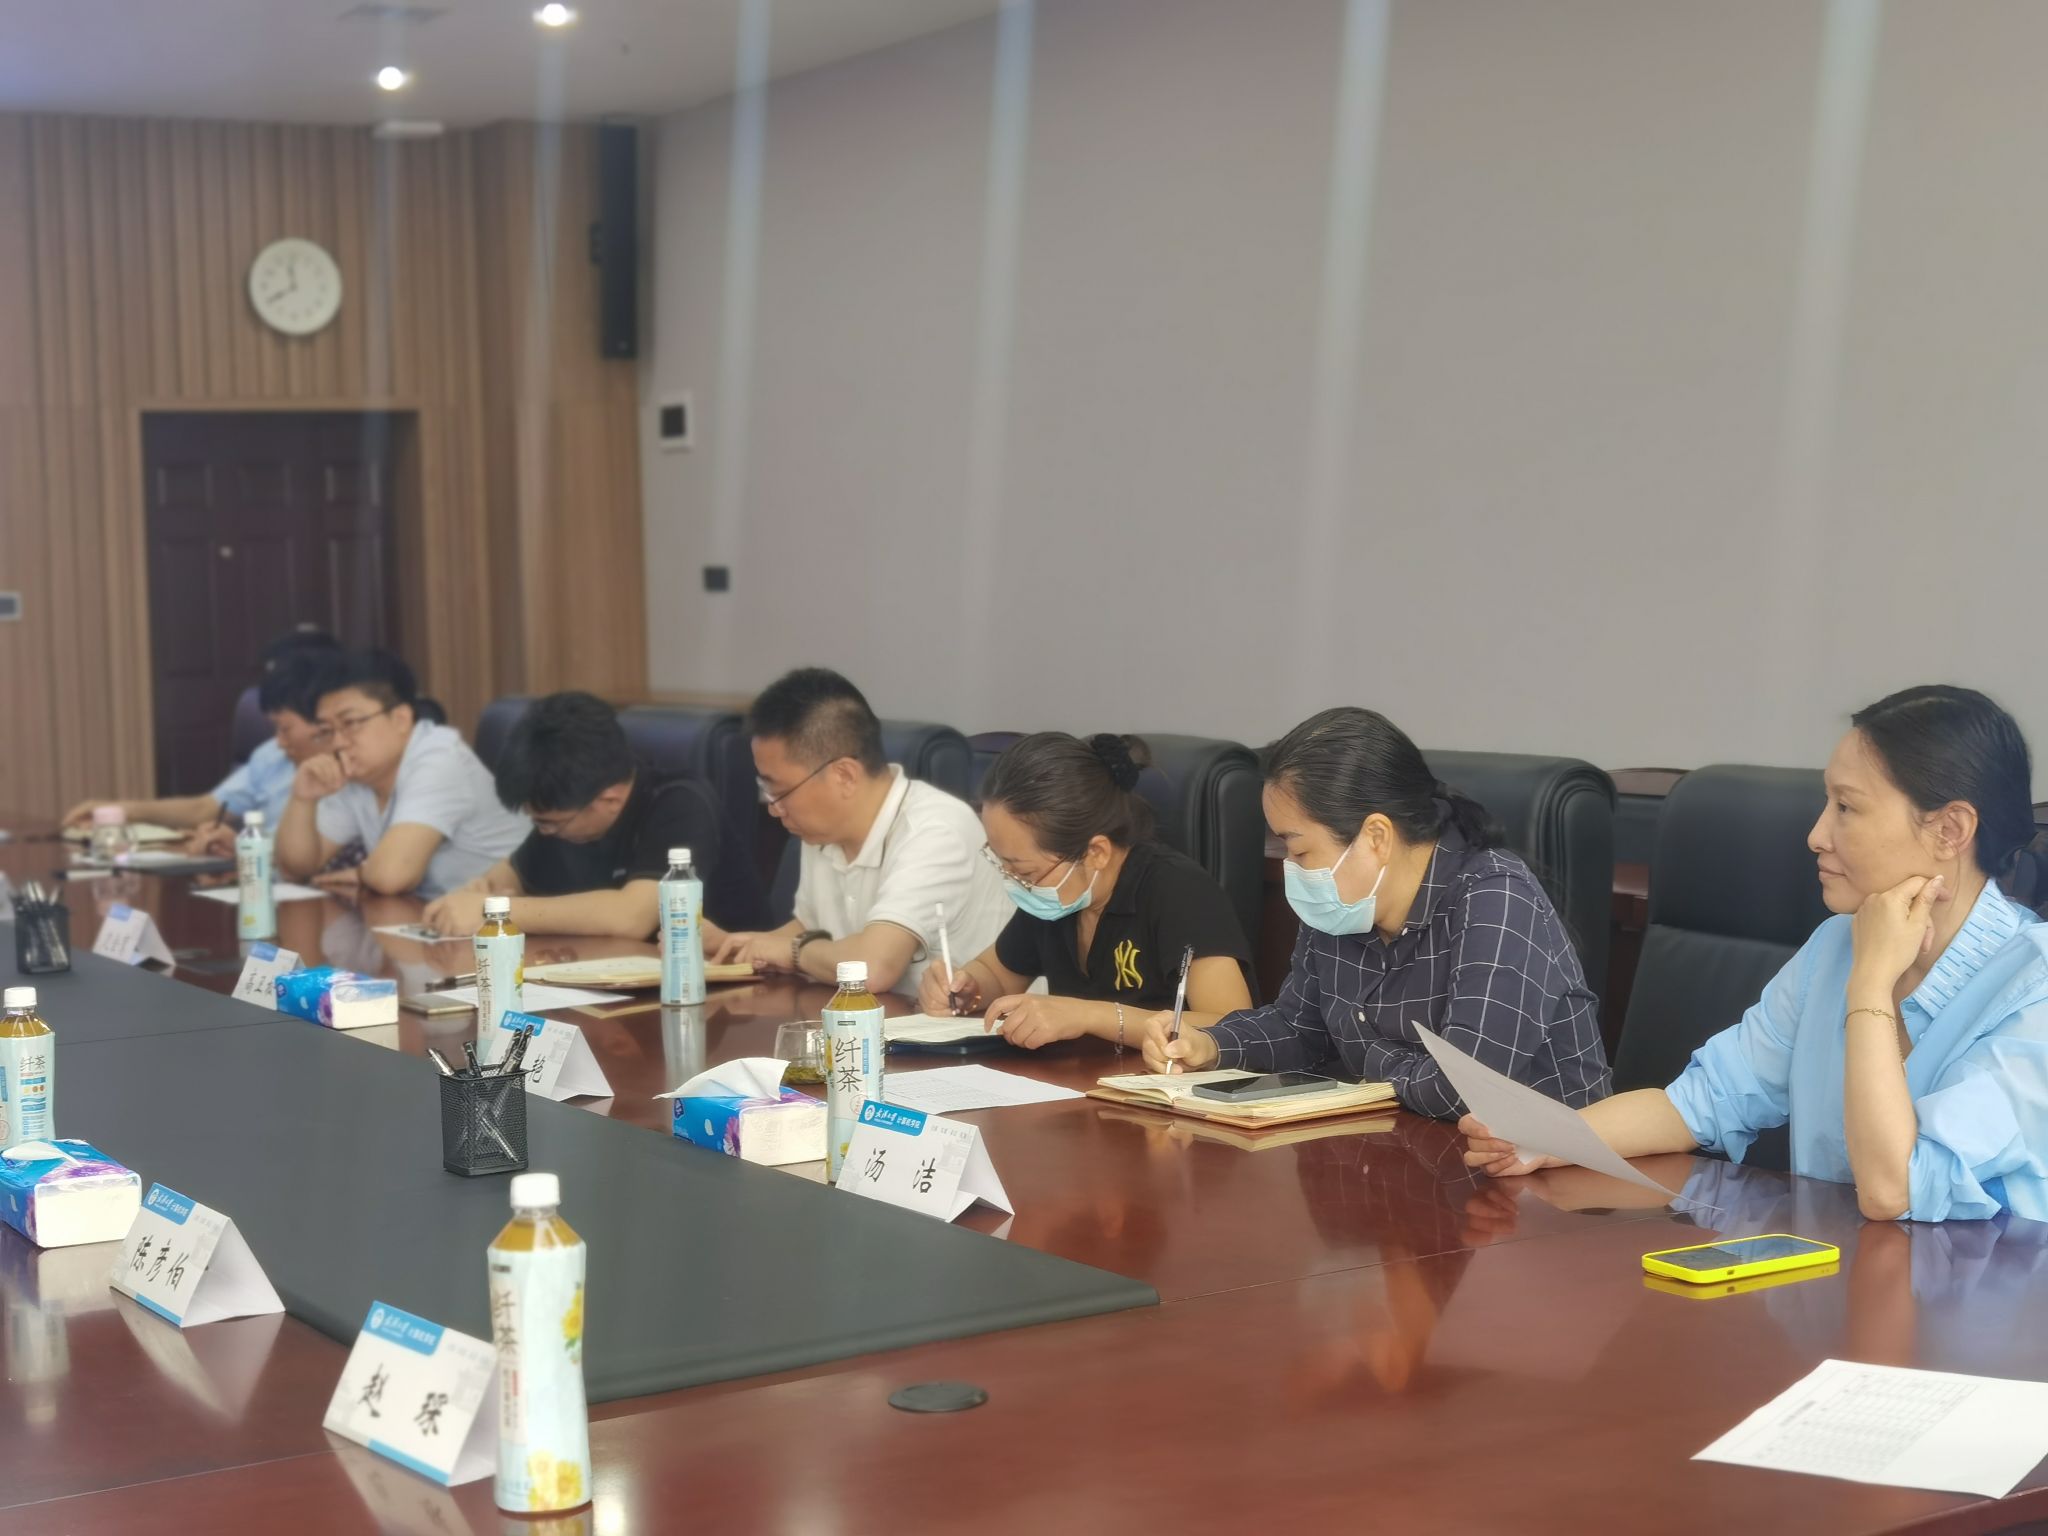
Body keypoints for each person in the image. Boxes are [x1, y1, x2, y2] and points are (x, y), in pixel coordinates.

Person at [1463, 685, 2048, 1223]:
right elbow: (1703, 1101)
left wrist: (1870, 987)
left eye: (1847, 808)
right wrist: (1547, 1138)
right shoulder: (1835, 945)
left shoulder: (2034, 988)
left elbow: (1895, 1189)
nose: (1817, 835)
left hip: (1972, 1297)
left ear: (1950, 831)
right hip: (1837, 1281)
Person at [1142, 706, 1611, 1117]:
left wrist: (1365, 1057)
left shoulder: (1495, 898)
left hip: (1543, 1174)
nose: (1292, 870)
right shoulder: (1344, 907)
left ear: (1376, 837)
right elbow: (1300, 1030)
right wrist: (1211, 1045)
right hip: (1401, 1154)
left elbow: (1467, 1090)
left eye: (1300, 851)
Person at [915, 732, 1252, 1048]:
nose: (1015, 882)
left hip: (1167, 1085)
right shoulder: (1057, 895)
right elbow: (997, 975)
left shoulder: (1179, 890)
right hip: (1079, 1077)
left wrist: (1088, 1016)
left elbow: (1232, 1026)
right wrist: (965, 989)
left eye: (1024, 871)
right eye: (1004, 865)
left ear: (1096, 853)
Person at [708, 668, 1008, 995]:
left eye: (779, 791)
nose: (773, 808)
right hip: (874, 1017)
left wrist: (793, 951)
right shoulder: (823, 830)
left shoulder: (935, 829)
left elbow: (872, 969)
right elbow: (812, 930)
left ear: (845, 776)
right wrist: (732, 945)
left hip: (969, 1022)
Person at [419, 691, 724, 939]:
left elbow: (631, 917)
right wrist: (477, 892)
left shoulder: (681, 804)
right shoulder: (566, 813)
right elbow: (504, 878)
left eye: (549, 823)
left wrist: (495, 910)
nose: (545, 831)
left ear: (609, 800)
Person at [273, 649, 529, 899]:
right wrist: (302, 799)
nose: (338, 742)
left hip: (505, 917)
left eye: (350, 723)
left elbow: (391, 877)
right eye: (327, 730)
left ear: (401, 719)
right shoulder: (360, 775)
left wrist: (364, 873)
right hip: (440, 913)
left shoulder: (440, 758)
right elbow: (295, 869)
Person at [62, 628, 342, 847]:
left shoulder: (348, 769)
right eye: (275, 728)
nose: (279, 741)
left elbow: (315, 858)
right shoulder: (270, 756)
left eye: (285, 729)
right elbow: (205, 808)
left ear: (323, 722)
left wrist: (240, 845)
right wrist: (123, 811)